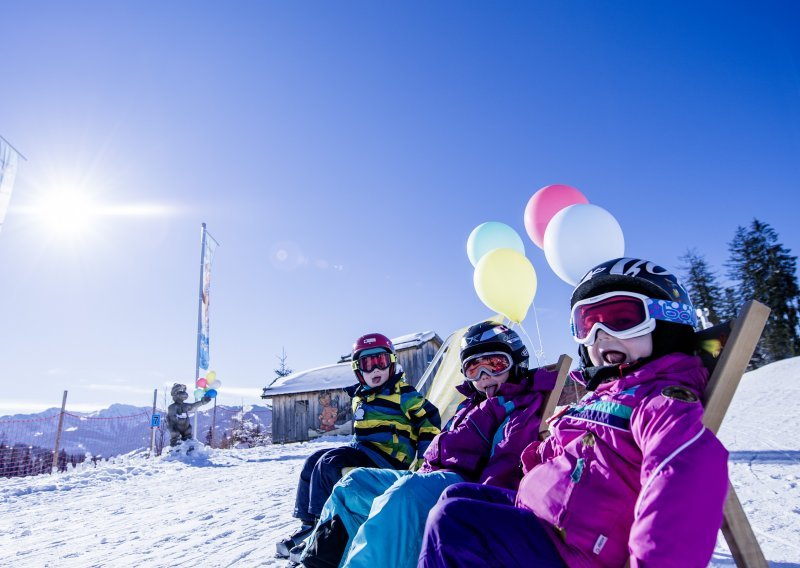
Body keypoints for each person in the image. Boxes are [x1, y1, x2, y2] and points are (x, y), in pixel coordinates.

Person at [418, 257, 730, 568]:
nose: (601, 333)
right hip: (545, 519)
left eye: (621, 318)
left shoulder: (660, 403)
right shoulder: (607, 396)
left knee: (454, 522)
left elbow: (682, 479)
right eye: (588, 323)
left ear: (667, 324)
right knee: (455, 496)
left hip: (572, 548)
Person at [299, 322, 559, 568]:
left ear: (517, 362)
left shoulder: (521, 409)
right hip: (430, 474)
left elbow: (505, 469)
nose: (484, 376)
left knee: (406, 493)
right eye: (473, 369)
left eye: (495, 364)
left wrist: (479, 511)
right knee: (354, 483)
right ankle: (320, 561)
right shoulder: (470, 405)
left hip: (465, 485)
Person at [276, 333, 441, 559]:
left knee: (329, 463)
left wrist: (425, 459)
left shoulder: (403, 394)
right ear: (357, 368)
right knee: (313, 460)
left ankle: (320, 530)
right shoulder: (360, 396)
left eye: (380, 362)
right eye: (367, 364)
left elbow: (429, 420)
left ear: (391, 363)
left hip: (388, 458)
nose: (375, 370)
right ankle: (308, 522)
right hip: (363, 451)